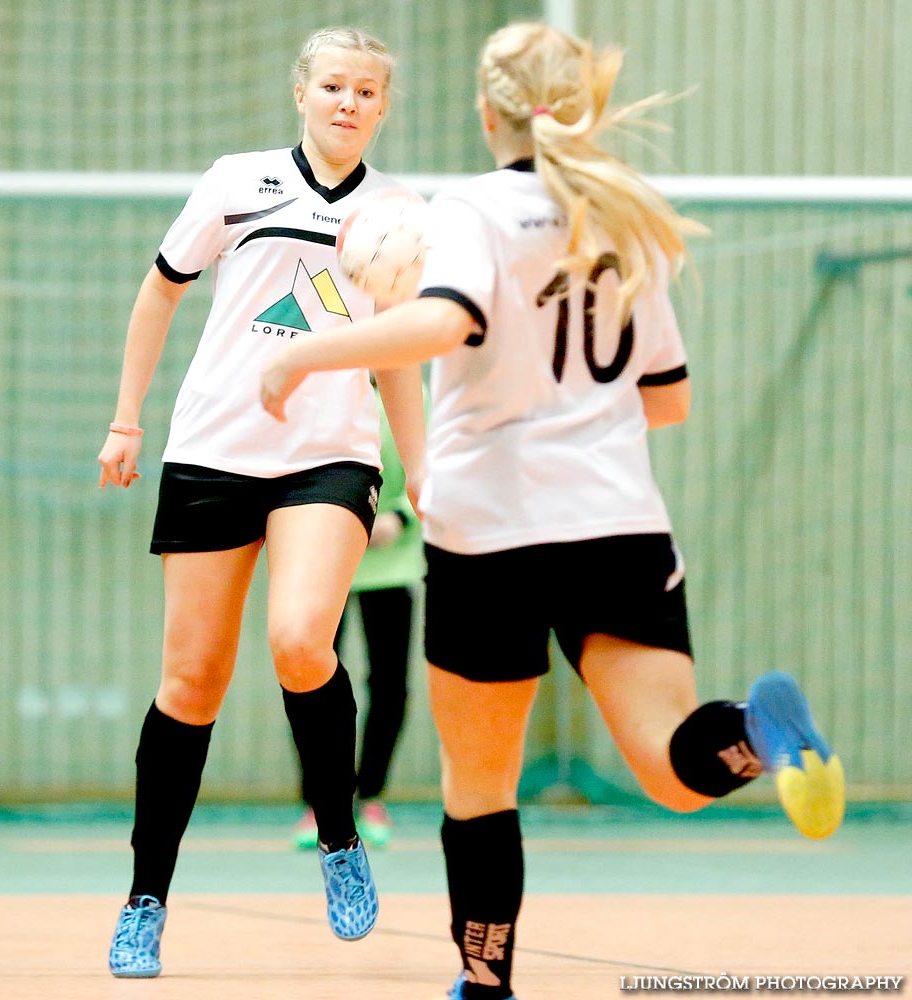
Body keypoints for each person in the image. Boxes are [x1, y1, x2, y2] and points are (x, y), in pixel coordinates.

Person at [259, 20, 846, 1000]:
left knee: (480, 788)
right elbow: (668, 398)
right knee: (671, 769)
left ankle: (485, 984)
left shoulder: (472, 210)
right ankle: (753, 727)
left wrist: (306, 349)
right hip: (618, 522)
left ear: (485, 111)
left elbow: (447, 321)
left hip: (492, 532)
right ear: (585, 109)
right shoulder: (620, 214)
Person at [97, 25, 426, 979]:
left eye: (367, 91)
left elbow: (399, 359)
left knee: (298, 640)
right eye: (333, 86)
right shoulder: (237, 181)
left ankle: (339, 840)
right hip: (211, 451)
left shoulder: (401, 214)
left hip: (328, 459)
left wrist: (428, 482)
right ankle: (144, 901)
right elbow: (158, 294)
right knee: (190, 683)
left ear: (382, 106)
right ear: (301, 92)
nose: (348, 104)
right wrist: (127, 422)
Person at [292, 386, 425, 851]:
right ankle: (319, 803)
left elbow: (436, 466)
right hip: (324, 554)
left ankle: (371, 795)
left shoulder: (415, 394)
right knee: (309, 676)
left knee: (389, 685)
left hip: (391, 561)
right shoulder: (322, 390)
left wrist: (401, 519)